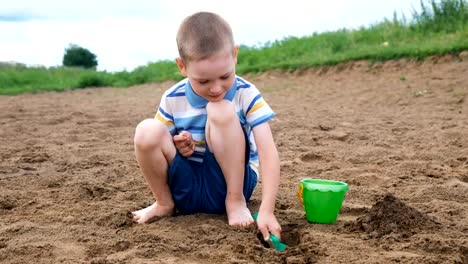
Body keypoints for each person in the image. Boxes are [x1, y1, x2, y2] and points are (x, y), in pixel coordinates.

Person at [131, 11, 282, 240]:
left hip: (232, 185)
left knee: (220, 108)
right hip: (186, 188)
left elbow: (267, 151)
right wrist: (179, 143)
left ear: (235, 55)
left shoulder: (245, 93)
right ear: (182, 66)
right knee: (146, 129)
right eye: (203, 81)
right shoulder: (173, 97)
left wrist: (267, 210)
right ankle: (163, 203)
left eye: (225, 76)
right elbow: (161, 145)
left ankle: (234, 201)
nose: (216, 88)